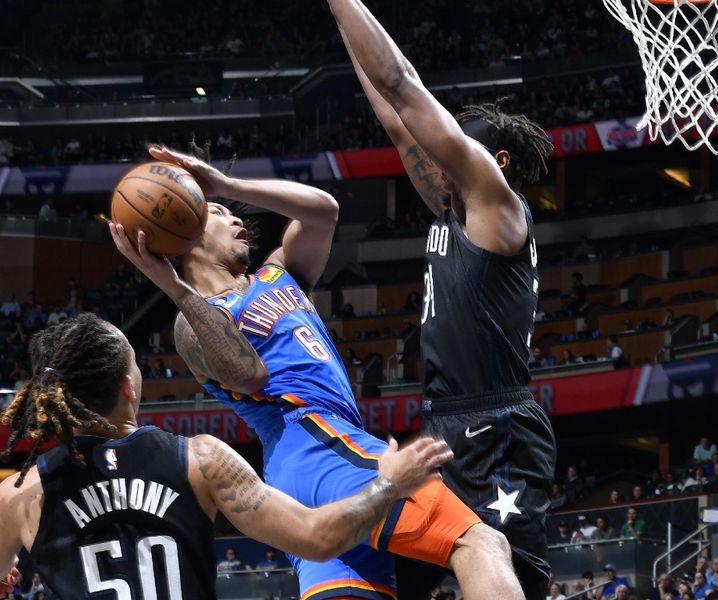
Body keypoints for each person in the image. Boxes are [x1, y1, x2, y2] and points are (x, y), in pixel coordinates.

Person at [111, 146, 524, 600]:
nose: (235, 219)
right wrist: (172, 284)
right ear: (185, 231)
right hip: (316, 445)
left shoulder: (276, 273)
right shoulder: (193, 321)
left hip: (318, 461)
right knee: (480, 542)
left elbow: (325, 212)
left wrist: (226, 185)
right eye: (216, 213)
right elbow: (249, 375)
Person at [325, 1, 556, 598]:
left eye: (455, 141)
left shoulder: (496, 205)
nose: (437, 147)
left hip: (498, 424)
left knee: (510, 578)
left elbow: (403, 84)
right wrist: (341, 23)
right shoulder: (452, 209)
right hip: (444, 425)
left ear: (494, 162)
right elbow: (394, 112)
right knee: (405, 577)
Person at [0, 315, 452, 600]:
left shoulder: (21, 495)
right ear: (128, 386)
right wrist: (389, 482)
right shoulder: (200, 460)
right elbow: (318, 537)